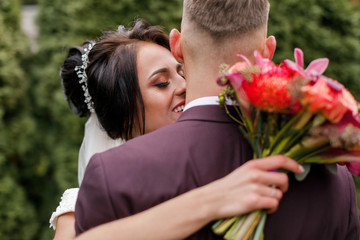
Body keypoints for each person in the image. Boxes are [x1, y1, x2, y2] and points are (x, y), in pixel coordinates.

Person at [76, 1, 360, 239]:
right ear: (267, 52)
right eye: (161, 82)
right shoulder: (336, 183)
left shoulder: (112, 175)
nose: (178, 87)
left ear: (177, 46)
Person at [51, 19, 303, 240]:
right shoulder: (79, 206)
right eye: (161, 83)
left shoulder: (234, 153)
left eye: (183, 72)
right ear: (123, 115)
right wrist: (212, 201)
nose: (184, 85)